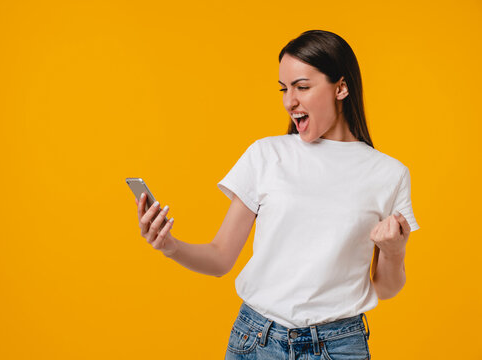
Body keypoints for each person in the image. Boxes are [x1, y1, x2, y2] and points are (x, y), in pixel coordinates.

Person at [134, 29, 420, 360]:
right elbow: (219, 259)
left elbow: (385, 288)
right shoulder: (266, 155)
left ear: (341, 88)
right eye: (285, 89)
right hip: (256, 341)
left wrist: (394, 251)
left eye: (302, 87)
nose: (289, 101)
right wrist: (169, 246)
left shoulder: (388, 173)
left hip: (339, 345)